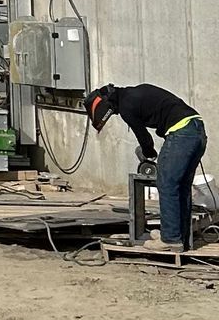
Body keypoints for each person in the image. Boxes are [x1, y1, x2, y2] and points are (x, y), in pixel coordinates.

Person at [87, 81, 208, 252]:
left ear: (109, 105)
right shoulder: (137, 92)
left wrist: (147, 153)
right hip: (197, 130)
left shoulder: (126, 107)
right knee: (181, 187)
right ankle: (177, 235)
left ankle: (171, 240)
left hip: (181, 134)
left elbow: (144, 139)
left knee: (167, 185)